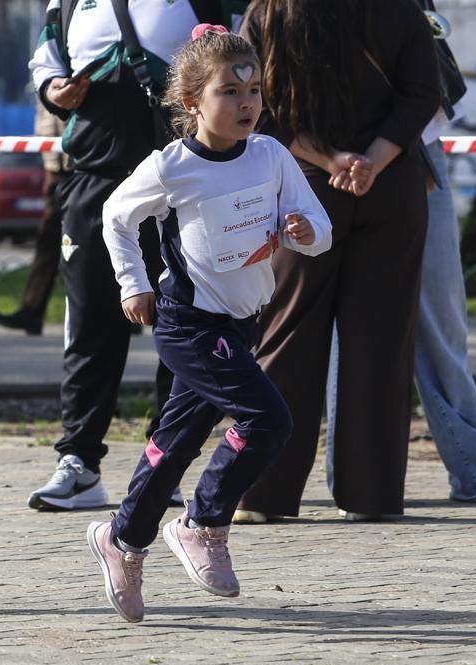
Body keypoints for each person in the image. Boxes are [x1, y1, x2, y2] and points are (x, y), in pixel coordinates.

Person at [86, 25, 332, 623]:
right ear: (193, 103)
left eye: (255, 90)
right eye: (230, 91)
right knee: (268, 418)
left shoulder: (272, 154)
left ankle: (121, 540)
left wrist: (305, 233)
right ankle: (201, 523)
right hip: (189, 323)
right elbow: (116, 216)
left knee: (174, 444)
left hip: (243, 324)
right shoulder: (172, 167)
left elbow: (319, 230)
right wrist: (134, 286)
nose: (247, 103)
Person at [234, 0, 439, 523]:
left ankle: (263, 492)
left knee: (287, 335)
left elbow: (258, 104)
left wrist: (330, 160)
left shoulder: (271, 12)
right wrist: (371, 160)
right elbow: (422, 96)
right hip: (390, 187)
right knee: (381, 344)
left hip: (304, 186)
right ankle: (372, 496)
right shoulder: (400, 10)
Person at [25, 0, 232, 511]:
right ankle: (79, 464)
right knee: (91, 325)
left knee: (181, 328)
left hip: (180, 186)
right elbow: (46, 57)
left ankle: (167, 462)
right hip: (92, 179)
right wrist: (55, 89)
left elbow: (240, 57)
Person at [324, 2, 476, 503]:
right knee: (349, 325)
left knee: (441, 318)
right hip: (342, 156)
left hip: (413, 149)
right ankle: (357, 481)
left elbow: (426, 82)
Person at [0, 102, 70, 337]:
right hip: (55, 166)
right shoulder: (46, 72)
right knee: (48, 242)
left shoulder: (76, 65)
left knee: (95, 245)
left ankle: (125, 314)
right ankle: (31, 312)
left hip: (83, 165)